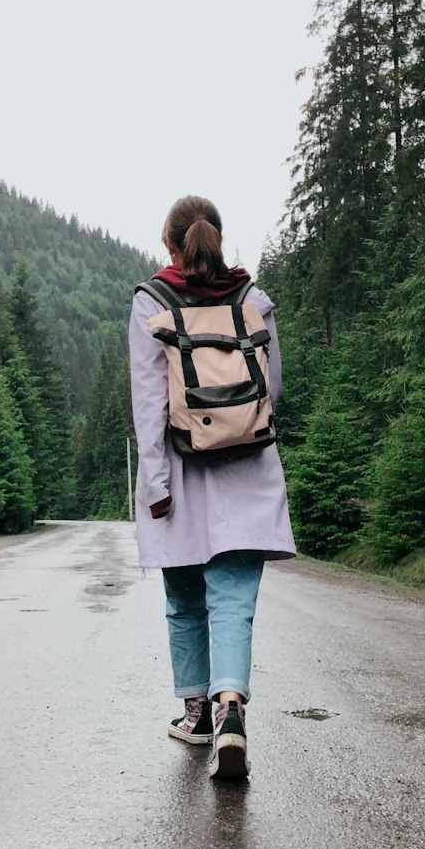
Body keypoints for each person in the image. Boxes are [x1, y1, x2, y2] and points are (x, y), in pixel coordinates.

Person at [128, 195, 296, 780]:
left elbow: (149, 404)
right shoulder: (253, 300)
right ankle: (231, 711)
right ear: (218, 239)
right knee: (233, 599)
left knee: (183, 600)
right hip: (247, 469)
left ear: (168, 244)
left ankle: (196, 713)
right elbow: (270, 389)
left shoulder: (153, 302)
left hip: (178, 469)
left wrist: (153, 484)